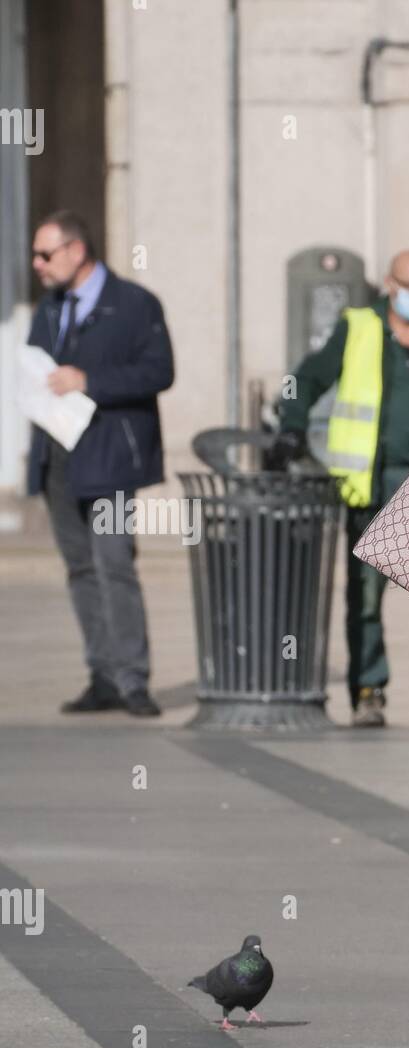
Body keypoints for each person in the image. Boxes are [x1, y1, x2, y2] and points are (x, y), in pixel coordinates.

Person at [271, 251, 409, 728]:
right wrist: (290, 426)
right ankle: (368, 689)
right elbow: (306, 378)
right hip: (373, 482)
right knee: (364, 596)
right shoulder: (359, 328)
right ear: (388, 284)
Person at [27, 210, 175, 717]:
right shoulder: (47, 311)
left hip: (110, 457)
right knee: (80, 569)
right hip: (57, 459)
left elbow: (160, 371)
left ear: (75, 250)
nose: (37, 264)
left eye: (45, 254)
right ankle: (103, 675)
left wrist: (89, 381)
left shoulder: (134, 304)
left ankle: (134, 680)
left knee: (114, 565)